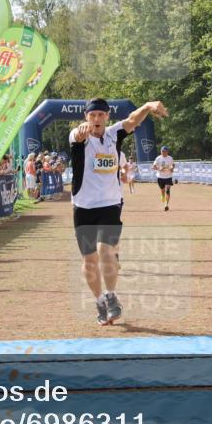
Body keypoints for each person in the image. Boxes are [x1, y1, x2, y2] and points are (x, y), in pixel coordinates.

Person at [70, 97, 168, 325]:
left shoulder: (114, 134)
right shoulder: (78, 136)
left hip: (110, 204)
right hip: (83, 207)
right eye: (92, 115)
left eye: (100, 115)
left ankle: (111, 296)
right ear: (86, 117)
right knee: (89, 261)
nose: (96, 119)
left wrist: (148, 106)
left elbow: (132, 120)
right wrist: (81, 133)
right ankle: (99, 301)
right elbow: (77, 136)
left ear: (107, 117)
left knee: (106, 252)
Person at [153, 145, 175, 210]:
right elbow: (153, 166)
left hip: (168, 177)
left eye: (164, 151)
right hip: (160, 177)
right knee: (162, 191)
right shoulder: (158, 158)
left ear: (167, 152)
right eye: (162, 151)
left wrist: (172, 168)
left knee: (167, 191)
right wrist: (159, 168)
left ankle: (166, 205)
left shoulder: (170, 158)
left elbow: (173, 165)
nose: (163, 152)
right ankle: (162, 195)